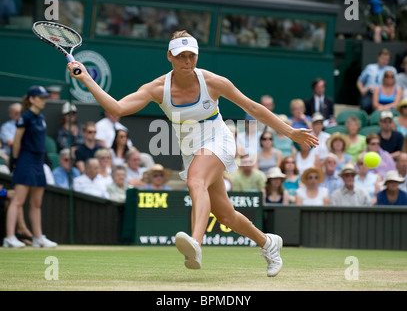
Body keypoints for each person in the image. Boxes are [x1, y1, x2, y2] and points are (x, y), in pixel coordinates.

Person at [67, 30, 318, 276]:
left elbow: (253, 107)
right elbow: (118, 108)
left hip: (219, 140)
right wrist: (87, 78)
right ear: (169, 56)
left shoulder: (214, 82)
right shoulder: (157, 88)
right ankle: (268, 243)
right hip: (192, 150)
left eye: (192, 55)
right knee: (226, 216)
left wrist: (290, 131)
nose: (187, 61)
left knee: (195, 180)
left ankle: (196, 244)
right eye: (181, 56)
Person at [3, 85, 57, 248]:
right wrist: (16, 161)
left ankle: (38, 237)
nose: (43, 101)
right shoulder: (24, 117)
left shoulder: (41, 118)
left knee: (36, 203)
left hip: (38, 161)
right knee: (18, 201)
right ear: (32, 99)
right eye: (40, 98)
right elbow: (17, 141)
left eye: (44, 98)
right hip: (25, 160)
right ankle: (10, 238)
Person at [357, 48, 397, 114]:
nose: (384, 61)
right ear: (378, 57)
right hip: (370, 93)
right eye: (383, 58)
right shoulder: (370, 67)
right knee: (365, 105)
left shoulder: (391, 70)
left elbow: (394, 84)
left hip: (385, 93)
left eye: (387, 60)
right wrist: (363, 90)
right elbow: (359, 81)